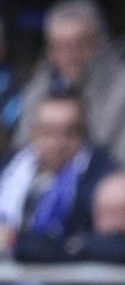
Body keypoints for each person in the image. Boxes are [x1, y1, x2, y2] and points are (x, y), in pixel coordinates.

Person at [11, 0, 125, 175]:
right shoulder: (38, 89)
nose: (70, 56)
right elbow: (19, 155)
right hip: (38, 190)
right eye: (60, 46)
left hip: (96, 194)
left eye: (80, 45)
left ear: (99, 44)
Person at [0, 93, 116, 260]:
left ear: (84, 134)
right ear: (34, 132)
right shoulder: (9, 168)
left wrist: (12, 240)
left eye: (69, 132)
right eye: (49, 132)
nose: (58, 142)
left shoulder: (103, 178)